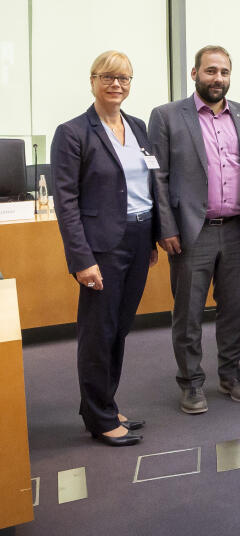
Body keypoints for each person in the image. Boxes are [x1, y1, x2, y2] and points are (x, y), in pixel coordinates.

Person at [51, 50, 159, 446]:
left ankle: (103, 404)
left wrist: (152, 237)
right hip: (101, 248)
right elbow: (66, 201)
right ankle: (99, 417)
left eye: (125, 78)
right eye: (108, 77)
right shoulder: (74, 132)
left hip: (138, 236)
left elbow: (150, 183)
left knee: (119, 329)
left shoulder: (138, 127)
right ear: (92, 81)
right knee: (99, 331)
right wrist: (81, 259)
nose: (117, 85)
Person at [149, 45, 240, 414]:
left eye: (224, 72)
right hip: (191, 232)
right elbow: (159, 178)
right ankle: (192, 383)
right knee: (189, 312)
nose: (218, 79)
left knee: (233, 309)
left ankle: (231, 375)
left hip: (235, 230)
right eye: (211, 71)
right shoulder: (167, 116)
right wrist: (166, 227)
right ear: (194, 74)